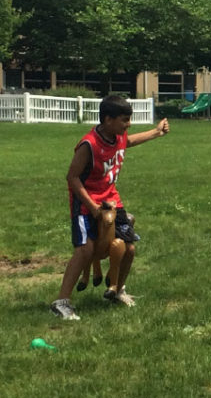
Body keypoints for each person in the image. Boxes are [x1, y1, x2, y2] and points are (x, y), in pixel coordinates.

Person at [50, 97, 171, 318]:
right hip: (86, 204)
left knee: (129, 248)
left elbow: (130, 141)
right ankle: (61, 302)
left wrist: (156, 133)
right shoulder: (89, 145)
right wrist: (92, 206)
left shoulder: (118, 136)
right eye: (124, 120)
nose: (129, 125)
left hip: (112, 201)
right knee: (85, 250)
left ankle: (117, 290)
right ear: (108, 120)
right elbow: (72, 177)